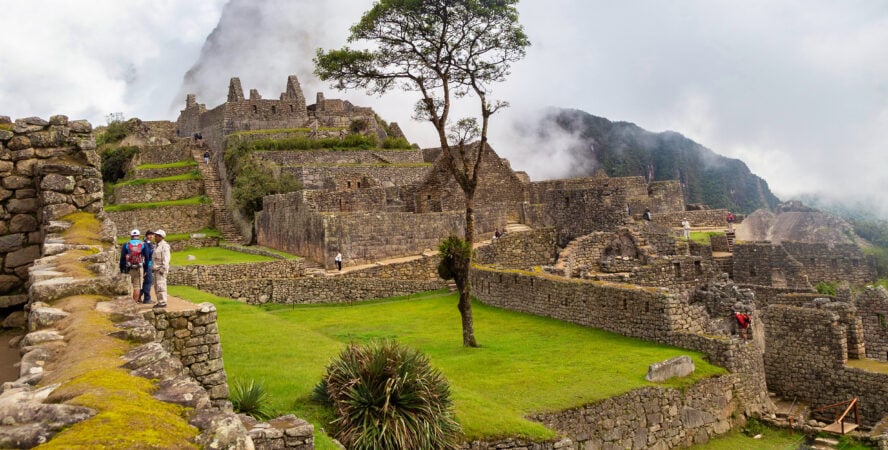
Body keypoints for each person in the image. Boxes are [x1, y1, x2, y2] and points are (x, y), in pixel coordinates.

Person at [119, 229, 148, 303]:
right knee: (137, 287)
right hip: (139, 268)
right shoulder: (143, 244)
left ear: (131, 236)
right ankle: (134, 303)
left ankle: (127, 303)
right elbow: (147, 258)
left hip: (128, 268)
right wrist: (146, 269)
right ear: (138, 236)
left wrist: (122, 269)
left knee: (127, 285)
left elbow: (122, 258)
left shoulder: (126, 244)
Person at [152, 229, 171, 309]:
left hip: (160, 270)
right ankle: (160, 301)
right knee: (157, 286)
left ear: (161, 237)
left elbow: (166, 259)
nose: (155, 237)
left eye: (156, 236)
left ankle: (163, 302)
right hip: (156, 269)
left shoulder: (164, 246)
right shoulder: (156, 246)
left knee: (161, 286)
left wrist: (163, 270)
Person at [138, 230, 156, 304]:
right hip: (146, 265)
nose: (151, 236)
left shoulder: (148, 244)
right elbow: (147, 256)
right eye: (149, 235)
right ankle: (147, 299)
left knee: (146, 282)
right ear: (146, 236)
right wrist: (147, 267)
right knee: (148, 281)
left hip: (147, 265)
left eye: (152, 235)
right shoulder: (146, 244)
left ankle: (138, 296)